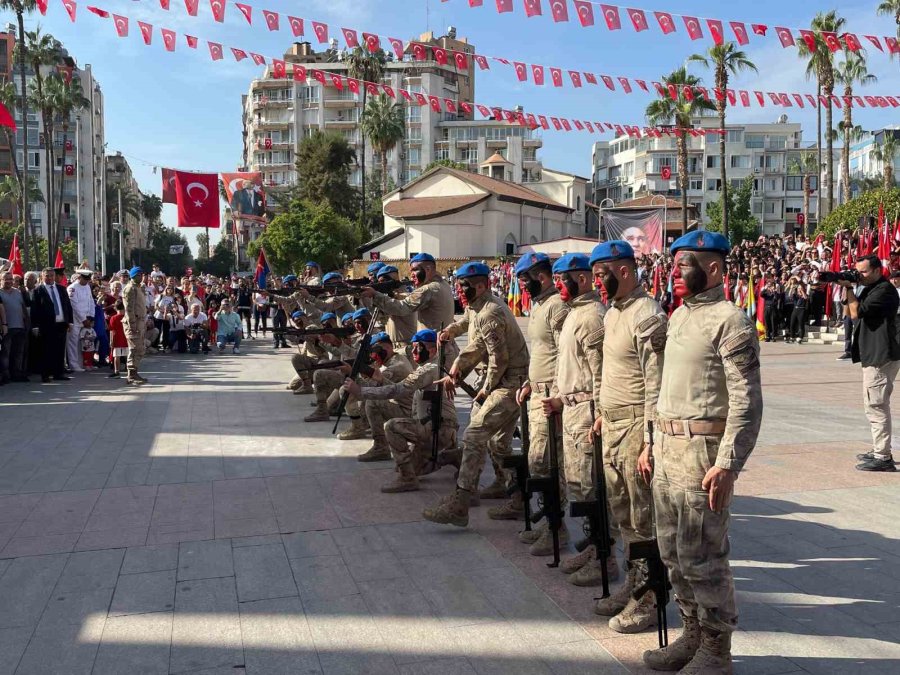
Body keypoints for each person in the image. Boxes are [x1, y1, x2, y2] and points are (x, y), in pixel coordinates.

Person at [643, 231, 762, 673]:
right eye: (673, 265)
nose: (674, 272)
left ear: (712, 268)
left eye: (683, 264)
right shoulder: (678, 317)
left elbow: (747, 399)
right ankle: (692, 635)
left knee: (704, 556)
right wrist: (651, 442)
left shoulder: (730, 321)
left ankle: (716, 651)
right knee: (673, 554)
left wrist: (728, 463)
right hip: (668, 449)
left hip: (702, 455)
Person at [591, 240, 667, 632]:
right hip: (614, 425)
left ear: (624, 271)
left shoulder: (646, 314)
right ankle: (632, 584)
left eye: (601, 274)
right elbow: (609, 371)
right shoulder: (612, 314)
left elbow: (656, 384)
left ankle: (649, 599)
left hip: (638, 427)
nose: (596, 283)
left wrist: (651, 441)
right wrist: (602, 414)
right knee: (622, 514)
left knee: (642, 519)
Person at [422, 261, 529, 528]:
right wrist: (450, 331)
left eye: (465, 286)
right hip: (503, 380)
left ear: (482, 285)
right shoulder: (478, 305)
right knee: (498, 443)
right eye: (459, 285)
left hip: (508, 383)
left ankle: (461, 502)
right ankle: (511, 491)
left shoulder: (490, 313)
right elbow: (469, 323)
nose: (460, 291)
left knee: (475, 433)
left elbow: (498, 360)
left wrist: (484, 391)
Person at [540, 253, 611, 587]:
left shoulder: (593, 316)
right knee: (578, 484)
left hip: (586, 412)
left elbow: (600, 374)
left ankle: (604, 556)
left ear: (582, 279)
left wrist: (599, 414)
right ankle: (593, 545)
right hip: (569, 409)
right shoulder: (574, 314)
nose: (557, 285)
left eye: (563, 279)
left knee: (591, 486)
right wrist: (557, 398)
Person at [345, 329, 458, 492]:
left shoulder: (428, 370)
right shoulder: (437, 365)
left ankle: (407, 479)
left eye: (417, 348)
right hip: (440, 427)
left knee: (391, 426)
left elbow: (397, 390)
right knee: (416, 467)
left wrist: (360, 391)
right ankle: (453, 456)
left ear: (432, 350)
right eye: (412, 348)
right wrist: (380, 379)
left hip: (437, 429)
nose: (413, 352)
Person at [508, 253, 570, 546]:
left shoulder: (557, 307)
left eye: (524, 280)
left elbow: (564, 356)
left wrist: (556, 394)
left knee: (545, 463)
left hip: (550, 397)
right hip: (538, 392)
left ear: (541, 277)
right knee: (538, 462)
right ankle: (548, 524)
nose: (522, 287)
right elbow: (543, 352)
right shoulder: (540, 305)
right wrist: (530, 385)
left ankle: (556, 528)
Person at [838, 255, 900, 472]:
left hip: (881, 355)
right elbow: (848, 312)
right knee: (872, 403)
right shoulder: (869, 288)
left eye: (863, 272)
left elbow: (856, 313)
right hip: (872, 353)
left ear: (877, 270)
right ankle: (878, 450)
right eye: (857, 271)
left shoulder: (884, 290)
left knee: (876, 405)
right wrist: (847, 289)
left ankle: (883, 457)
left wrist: (849, 287)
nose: (859, 275)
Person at [360, 252, 456, 360]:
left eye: (415, 270)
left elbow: (402, 307)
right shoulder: (443, 284)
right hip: (444, 346)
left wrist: (375, 295)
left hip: (431, 349)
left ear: (428, 269)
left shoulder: (428, 289)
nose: (412, 274)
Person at [345, 331, 414, 461]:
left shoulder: (395, 367)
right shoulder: (393, 359)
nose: (374, 354)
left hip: (407, 411)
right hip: (402, 404)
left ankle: (381, 447)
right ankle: (367, 426)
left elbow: (370, 388)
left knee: (372, 402)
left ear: (388, 347)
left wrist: (353, 373)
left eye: (377, 349)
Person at [31, 267, 73, 382]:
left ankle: (59, 373)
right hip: (47, 325)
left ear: (54, 276)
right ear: (42, 277)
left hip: (61, 323)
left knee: (60, 350)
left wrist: (70, 321)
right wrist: (35, 326)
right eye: (47, 276)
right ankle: (45, 374)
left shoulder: (61, 289)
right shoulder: (38, 290)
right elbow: (35, 309)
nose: (49, 278)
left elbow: (67, 306)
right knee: (46, 350)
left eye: (51, 276)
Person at [0, 270, 29, 382]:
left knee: (19, 352)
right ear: (1, 280)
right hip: (6, 328)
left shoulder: (17, 292)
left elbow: (23, 308)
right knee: (5, 352)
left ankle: (17, 373)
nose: (9, 281)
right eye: (6, 279)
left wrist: (27, 322)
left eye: (10, 279)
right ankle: (6, 375)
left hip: (20, 326)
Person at [66, 269, 96, 372]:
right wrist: (83, 319)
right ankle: (74, 364)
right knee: (73, 343)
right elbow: (74, 305)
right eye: (85, 279)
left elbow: (91, 301)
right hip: (75, 319)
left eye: (88, 279)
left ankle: (83, 363)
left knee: (84, 343)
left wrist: (91, 316)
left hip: (86, 319)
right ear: (79, 277)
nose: (86, 281)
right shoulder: (72, 288)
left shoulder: (87, 286)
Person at [123, 267, 148, 385]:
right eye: (138, 275)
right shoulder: (130, 289)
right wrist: (132, 325)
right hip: (134, 322)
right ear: (133, 276)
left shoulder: (138, 288)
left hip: (141, 321)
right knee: (134, 349)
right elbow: (129, 309)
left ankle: (135, 372)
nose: (141, 277)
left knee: (140, 349)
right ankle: (131, 375)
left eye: (141, 275)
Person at [107, 300, 128, 377]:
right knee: (127, 355)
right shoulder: (127, 317)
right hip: (126, 338)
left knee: (117, 356)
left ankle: (117, 371)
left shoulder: (113, 318)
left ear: (115, 308)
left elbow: (111, 331)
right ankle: (129, 369)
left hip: (116, 338)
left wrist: (111, 341)